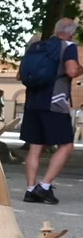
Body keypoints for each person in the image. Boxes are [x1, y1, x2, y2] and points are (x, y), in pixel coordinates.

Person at [21, 18, 82, 204]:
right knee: (66, 144)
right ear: (71, 32)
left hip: (32, 103)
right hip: (55, 103)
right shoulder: (68, 46)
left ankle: (30, 190)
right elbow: (71, 71)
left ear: (56, 30)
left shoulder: (36, 47)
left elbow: (20, 74)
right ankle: (45, 186)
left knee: (35, 146)